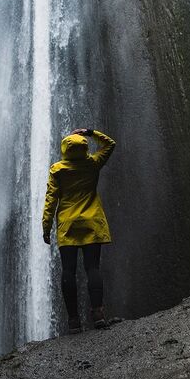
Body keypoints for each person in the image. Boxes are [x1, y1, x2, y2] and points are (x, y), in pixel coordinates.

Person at [42, 127, 116, 333]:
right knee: (93, 267)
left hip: (68, 226)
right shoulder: (93, 164)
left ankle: (73, 321)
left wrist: (46, 227)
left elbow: (50, 201)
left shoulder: (57, 170)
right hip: (92, 222)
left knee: (68, 271)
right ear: (84, 148)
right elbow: (110, 144)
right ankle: (98, 313)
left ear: (65, 149)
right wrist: (90, 132)